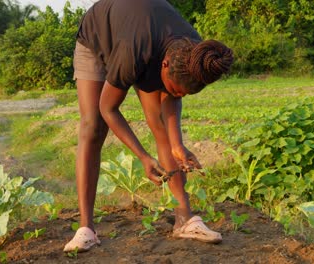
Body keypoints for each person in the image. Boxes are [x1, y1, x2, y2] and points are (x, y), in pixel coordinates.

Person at [63, 0, 234, 252]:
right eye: (174, 88)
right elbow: (108, 108)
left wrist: (178, 146)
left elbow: (172, 100)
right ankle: (86, 228)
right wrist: (143, 157)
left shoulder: (194, 52)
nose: (177, 95)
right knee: (94, 127)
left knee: (162, 128)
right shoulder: (135, 51)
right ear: (164, 66)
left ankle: (185, 220)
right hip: (99, 37)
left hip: (143, 39)